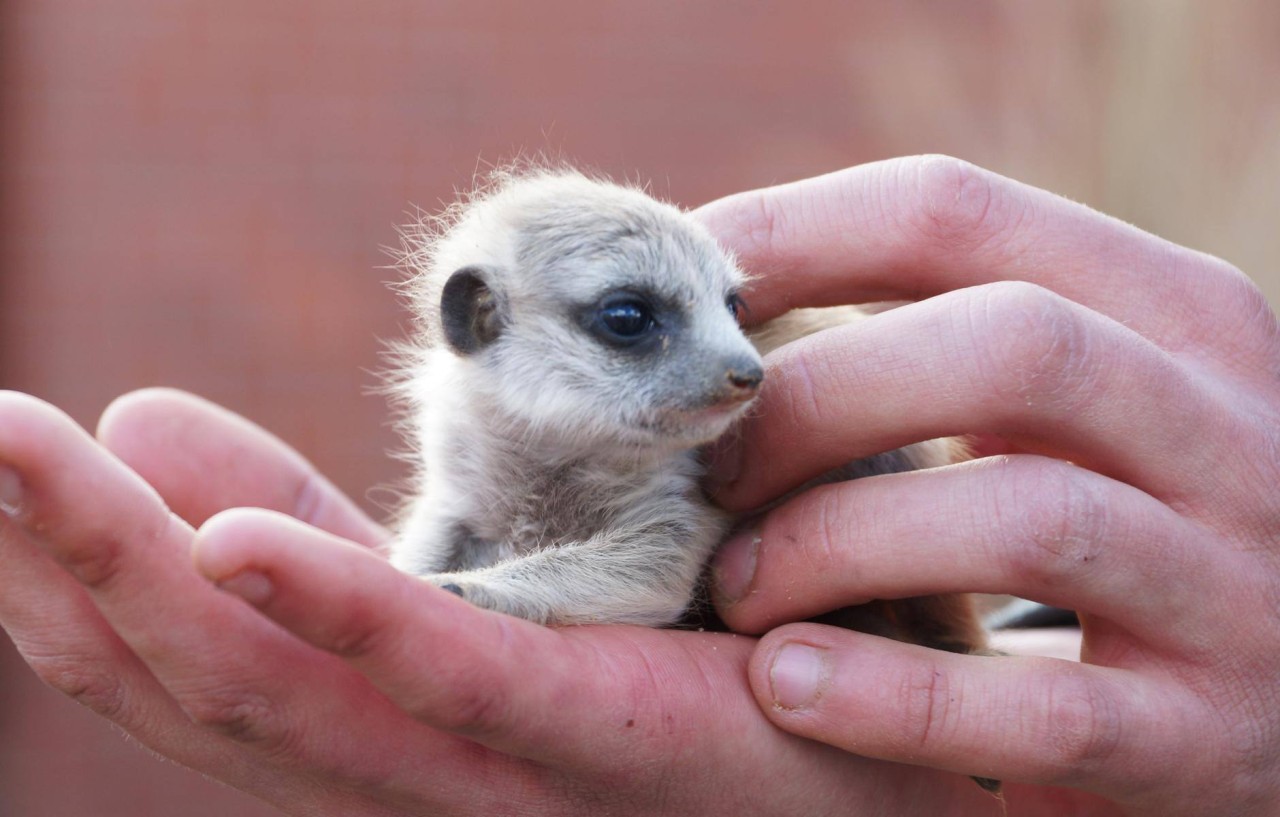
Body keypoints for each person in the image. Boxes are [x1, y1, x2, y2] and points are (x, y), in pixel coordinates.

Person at [1, 155, 1277, 815]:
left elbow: (654, 566)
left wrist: (461, 606)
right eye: (630, 321)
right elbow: (441, 552)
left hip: (858, 665)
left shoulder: (711, 427)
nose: (731, 365)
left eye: (729, 310)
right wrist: (406, 605)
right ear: (478, 322)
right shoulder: (472, 414)